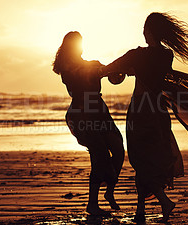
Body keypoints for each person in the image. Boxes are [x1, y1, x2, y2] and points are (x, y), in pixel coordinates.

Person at [100, 13, 188, 222]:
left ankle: (164, 201)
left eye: (145, 30)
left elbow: (109, 70)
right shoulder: (166, 55)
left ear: (150, 32)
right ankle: (140, 210)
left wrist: (100, 71)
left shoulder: (137, 55)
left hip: (140, 113)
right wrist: (133, 70)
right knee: (150, 161)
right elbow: (157, 80)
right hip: (159, 113)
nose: (143, 34)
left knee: (140, 161)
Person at [52, 31, 125, 216]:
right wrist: (98, 69)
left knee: (118, 148)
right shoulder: (67, 69)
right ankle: (92, 204)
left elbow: (113, 78)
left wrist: (116, 72)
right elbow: (77, 76)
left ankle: (109, 190)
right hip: (82, 114)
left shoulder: (91, 64)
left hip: (100, 111)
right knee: (99, 156)